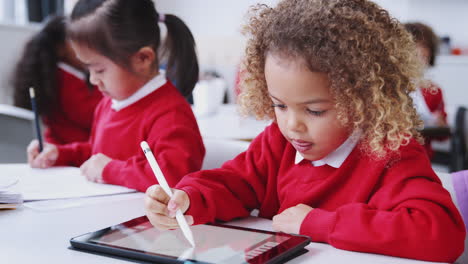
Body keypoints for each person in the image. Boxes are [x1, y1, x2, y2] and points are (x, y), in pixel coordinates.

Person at [144, 0, 465, 262]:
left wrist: (316, 223)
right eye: (279, 105)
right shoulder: (278, 143)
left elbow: (441, 234)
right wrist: (188, 199)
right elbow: (233, 184)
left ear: (366, 98)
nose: (291, 125)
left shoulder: (391, 153)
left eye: (314, 111)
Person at [26, 0, 205, 192]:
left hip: (148, 221)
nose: (93, 80)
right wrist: (60, 154)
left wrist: (109, 170)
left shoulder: (171, 115)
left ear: (143, 59)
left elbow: (172, 177)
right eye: (88, 70)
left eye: (100, 70)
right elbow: (99, 153)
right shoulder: (108, 103)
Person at [12, 15, 102, 145]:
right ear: (60, 49)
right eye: (76, 40)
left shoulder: (55, 76)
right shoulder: (65, 79)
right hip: (70, 150)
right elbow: (90, 115)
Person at [405, 22, 448, 159]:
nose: (419, 51)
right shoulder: (385, 86)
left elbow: (442, 136)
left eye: (424, 46)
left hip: (422, 156)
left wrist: (440, 123)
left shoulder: (434, 91)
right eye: (413, 45)